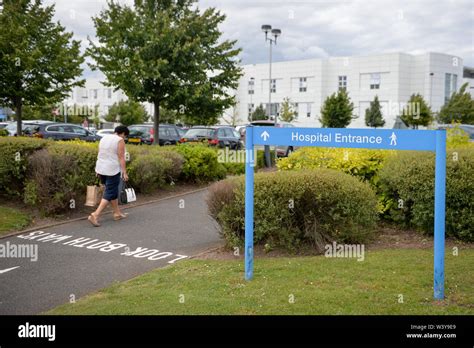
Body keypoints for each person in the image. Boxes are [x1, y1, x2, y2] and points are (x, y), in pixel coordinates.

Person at [88, 125, 130, 227]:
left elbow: (100, 154)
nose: (124, 138)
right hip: (112, 169)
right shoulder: (119, 140)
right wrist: (124, 172)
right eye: (125, 136)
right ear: (123, 133)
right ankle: (95, 215)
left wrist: (97, 169)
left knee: (112, 191)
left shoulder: (104, 138)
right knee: (109, 192)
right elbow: (121, 157)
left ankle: (117, 213)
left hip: (101, 168)